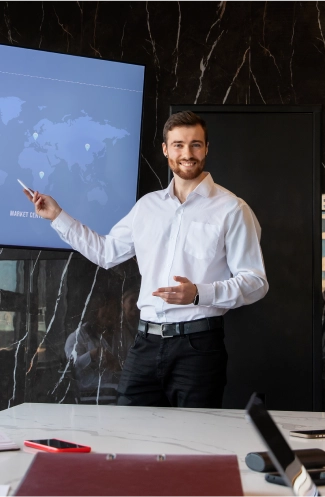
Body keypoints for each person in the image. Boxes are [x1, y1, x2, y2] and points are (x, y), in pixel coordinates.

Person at [25, 111, 268, 408]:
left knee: (195, 434)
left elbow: (256, 282)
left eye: (195, 144)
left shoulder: (232, 209)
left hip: (198, 347)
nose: (187, 153)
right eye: (178, 145)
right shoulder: (147, 207)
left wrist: (199, 293)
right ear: (166, 149)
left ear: (206, 148)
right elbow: (106, 252)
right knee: (129, 428)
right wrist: (57, 216)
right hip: (145, 342)